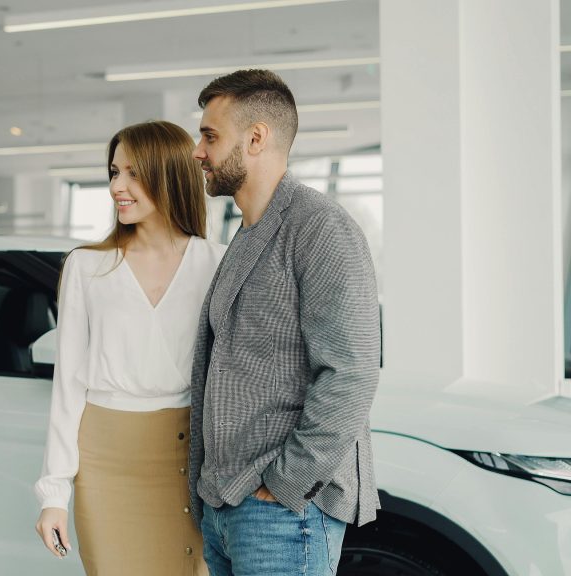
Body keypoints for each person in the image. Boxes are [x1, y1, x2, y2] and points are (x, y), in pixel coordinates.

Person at [188, 69, 380, 575]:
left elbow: (353, 371)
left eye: (210, 136)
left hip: (280, 510)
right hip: (228, 507)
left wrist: (285, 483)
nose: (198, 152)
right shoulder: (247, 236)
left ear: (256, 138)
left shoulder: (321, 228)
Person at [34, 120, 225, 575]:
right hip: (105, 463)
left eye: (133, 173)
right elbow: (68, 389)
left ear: (169, 174)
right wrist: (53, 496)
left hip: (187, 460)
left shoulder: (215, 262)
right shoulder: (87, 266)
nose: (118, 186)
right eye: (114, 172)